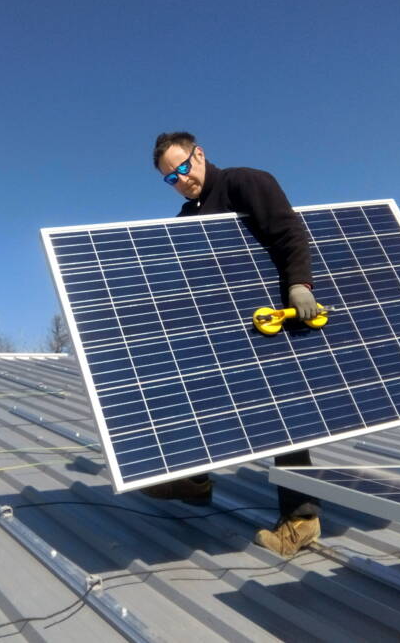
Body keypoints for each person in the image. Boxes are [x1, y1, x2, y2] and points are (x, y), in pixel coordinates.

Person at [140, 131, 321, 557]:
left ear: (199, 154)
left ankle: (302, 518)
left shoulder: (245, 183)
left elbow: (288, 232)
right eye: (170, 178)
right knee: (202, 392)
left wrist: (298, 285)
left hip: (271, 319)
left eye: (183, 167)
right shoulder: (188, 219)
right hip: (224, 328)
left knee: (283, 414)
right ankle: (195, 479)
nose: (181, 180)